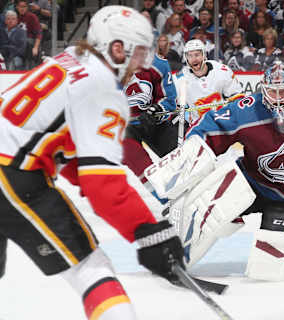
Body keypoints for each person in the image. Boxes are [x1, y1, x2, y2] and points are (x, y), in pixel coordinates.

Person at [0, 5, 184, 319]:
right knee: (93, 270)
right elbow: (105, 189)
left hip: (10, 159)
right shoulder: (104, 90)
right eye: (139, 52)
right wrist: (149, 233)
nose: (143, 62)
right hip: (14, 175)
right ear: (117, 48)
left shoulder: (71, 57)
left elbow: (67, 149)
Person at [149, 61, 284, 280]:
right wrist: (190, 157)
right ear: (262, 89)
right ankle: (172, 255)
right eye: (272, 91)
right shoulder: (246, 110)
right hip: (248, 183)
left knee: (270, 268)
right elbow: (208, 130)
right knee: (203, 209)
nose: (278, 98)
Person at [122, 34, 181, 201]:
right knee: (139, 163)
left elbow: (169, 99)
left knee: (180, 163)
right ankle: (166, 200)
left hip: (155, 123)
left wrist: (156, 110)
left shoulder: (159, 65)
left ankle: (201, 197)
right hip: (126, 128)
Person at [174, 39, 244, 124]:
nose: (194, 59)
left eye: (197, 55)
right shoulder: (180, 79)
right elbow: (176, 106)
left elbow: (238, 97)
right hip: (197, 128)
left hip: (223, 123)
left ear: (204, 55)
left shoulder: (222, 71)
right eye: (190, 56)